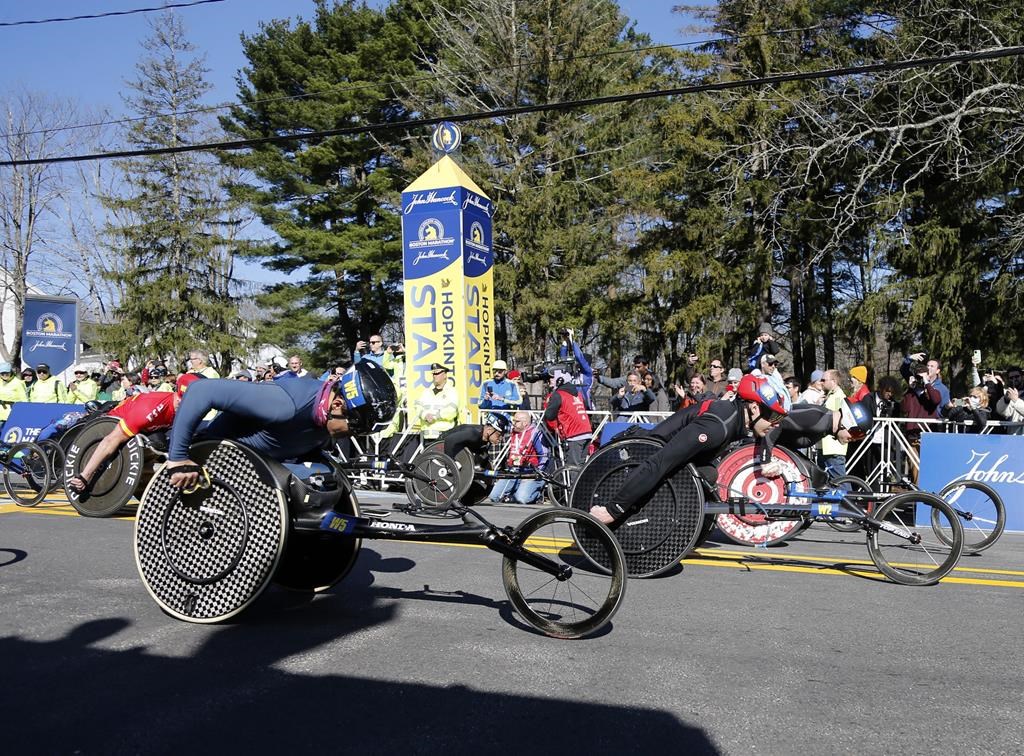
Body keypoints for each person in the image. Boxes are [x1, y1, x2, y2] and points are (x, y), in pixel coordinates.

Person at [164, 361, 396, 490]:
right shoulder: (284, 403)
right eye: (354, 428)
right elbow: (201, 390)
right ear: (337, 405)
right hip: (214, 464)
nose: (351, 435)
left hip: (257, 474)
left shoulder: (324, 420)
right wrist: (177, 458)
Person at [590, 374, 785, 525]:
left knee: (709, 473)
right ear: (754, 408)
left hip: (665, 459)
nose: (775, 425)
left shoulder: (735, 421)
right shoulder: (717, 427)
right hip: (646, 457)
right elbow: (660, 462)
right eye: (774, 417)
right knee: (698, 471)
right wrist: (613, 510)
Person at [66, 373, 205, 493]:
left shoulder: (189, 409)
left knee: (164, 443)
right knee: (124, 440)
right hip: (115, 422)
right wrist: (86, 476)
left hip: (151, 429)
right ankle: (85, 474)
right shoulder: (150, 409)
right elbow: (110, 440)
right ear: (181, 399)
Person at [487, 411, 549, 504]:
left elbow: (545, 455)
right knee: (494, 496)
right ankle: (514, 493)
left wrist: (539, 471)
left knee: (521, 499)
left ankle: (537, 495)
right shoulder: (513, 431)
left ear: (525, 423)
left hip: (530, 474)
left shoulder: (535, 433)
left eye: (516, 421)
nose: (513, 423)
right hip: (514, 472)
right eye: (513, 420)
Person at [411, 363, 461, 441]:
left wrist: (435, 417)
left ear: (445, 375)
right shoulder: (426, 392)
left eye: (437, 373)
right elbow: (417, 406)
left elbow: (452, 411)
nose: (434, 376)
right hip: (427, 438)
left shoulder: (451, 392)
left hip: (444, 437)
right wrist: (425, 415)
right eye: (433, 373)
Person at [442, 412, 510, 469]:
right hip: (439, 448)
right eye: (499, 435)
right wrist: (450, 464)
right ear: (489, 430)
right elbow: (449, 440)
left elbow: (482, 458)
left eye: (503, 435)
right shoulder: (473, 434)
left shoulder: (485, 439)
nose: (501, 438)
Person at [820, 369, 848, 478]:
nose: (821, 382)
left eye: (824, 380)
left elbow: (842, 419)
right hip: (826, 447)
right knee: (829, 484)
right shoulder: (830, 396)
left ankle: (848, 496)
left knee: (840, 482)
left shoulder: (839, 397)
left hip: (833, 448)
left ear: (834, 381)